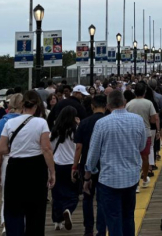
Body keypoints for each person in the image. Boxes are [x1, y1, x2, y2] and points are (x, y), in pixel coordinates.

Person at [0, 90, 56, 236]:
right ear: (36, 107)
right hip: (36, 166)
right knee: (36, 209)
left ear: (22, 106)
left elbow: (0, 149)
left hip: (15, 166)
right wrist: (52, 172)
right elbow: (46, 149)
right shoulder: (41, 123)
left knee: (13, 207)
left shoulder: (9, 123)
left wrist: (14, 149)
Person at [85, 89, 146, 236]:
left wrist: (88, 175)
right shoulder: (138, 120)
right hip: (131, 177)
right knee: (128, 216)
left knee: (113, 219)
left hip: (109, 179)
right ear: (124, 102)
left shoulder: (101, 123)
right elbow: (142, 146)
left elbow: (93, 154)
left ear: (108, 105)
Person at [73, 93, 108, 236]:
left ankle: (88, 229)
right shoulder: (108, 121)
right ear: (106, 106)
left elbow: (78, 147)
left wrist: (74, 166)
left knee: (87, 197)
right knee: (102, 199)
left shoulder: (84, 122)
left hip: (86, 163)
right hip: (105, 165)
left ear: (92, 106)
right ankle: (101, 229)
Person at [0, 94, 24, 231]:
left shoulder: (1, 122)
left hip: (8, 160)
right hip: (25, 159)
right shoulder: (31, 121)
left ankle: (5, 224)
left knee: (6, 196)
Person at [50, 108, 79, 230]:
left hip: (57, 164)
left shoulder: (54, 131)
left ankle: (57, 221)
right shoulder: (75, 130)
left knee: (57, 193)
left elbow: (50, 149)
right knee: (73, 192)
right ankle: (68, 209)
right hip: (72, 164)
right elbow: (79, 147)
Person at [125, 82, 158, 189]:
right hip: (146, 132)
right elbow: (153, 119)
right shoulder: (149, 103)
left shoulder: (129, 104)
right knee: (145, 157)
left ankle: (135, 184)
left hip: (131, 133)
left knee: (134, 158)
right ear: (144, 92)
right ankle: (144, 179)